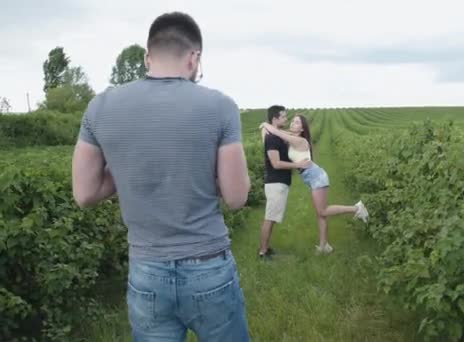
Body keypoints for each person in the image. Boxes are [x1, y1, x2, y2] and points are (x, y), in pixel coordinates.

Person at [71, 12, 251, 341]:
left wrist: (125, 167)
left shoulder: (100, 107)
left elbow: (84, 194)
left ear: (147, 57)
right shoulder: (220, 106)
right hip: (208, 266)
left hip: (147, 270)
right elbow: (237, 197)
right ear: (194, 57)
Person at [260, 114, 369, 254]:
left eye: (297, 122)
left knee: (322, 211)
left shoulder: (301, 141)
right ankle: (324, 246)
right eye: (292, 121)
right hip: (312, 178)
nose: (292, 123)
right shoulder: (294, 139)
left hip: (317, 177)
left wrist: (265, 123)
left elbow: (275, 132)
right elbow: (274, 134)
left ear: (302, 128)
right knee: (321, 214)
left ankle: (356, 208)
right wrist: (265, 128)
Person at [258, 105, 311, 259]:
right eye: (283, 117)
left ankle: (266, 248)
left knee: (272, 217)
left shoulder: (276, 135)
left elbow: (284, 134)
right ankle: (263, 252)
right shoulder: (272, 138)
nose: (286, 119)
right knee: (269, 218)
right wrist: (298, 165)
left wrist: (265, 126)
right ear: (275, 119)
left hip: (279, 182)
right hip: (276, 182)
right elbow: (276, 163)